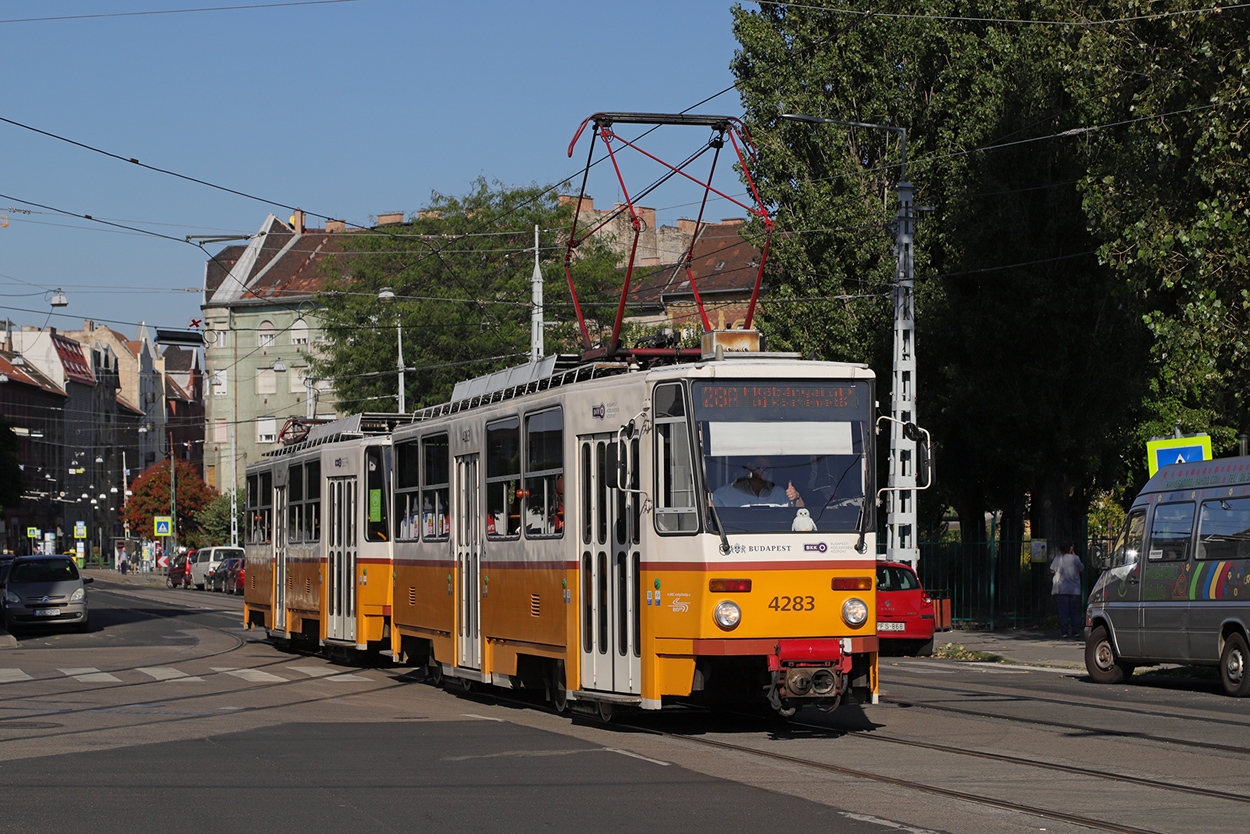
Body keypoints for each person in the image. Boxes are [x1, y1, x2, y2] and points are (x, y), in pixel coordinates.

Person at [712, 457, 804, 507]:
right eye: (758, 466)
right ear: (749, 466)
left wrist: (797, 496)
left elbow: (801, 515)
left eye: (766, 468)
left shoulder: (779, 493)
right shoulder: (726, 493)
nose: (761, 470)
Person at [1050, 542, 1085, 639]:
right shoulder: (1076, 558)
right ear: (1070, 548)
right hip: (1074, 589)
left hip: (1062, 588)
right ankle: (1076, 631)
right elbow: (1082, 568)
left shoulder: (1058, 558)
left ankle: (1064, 631)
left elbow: (1052, 570)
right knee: (1074, 611)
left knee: (1063, 611)